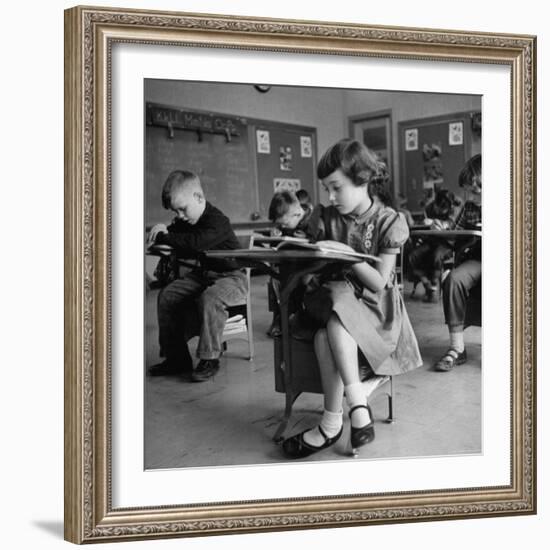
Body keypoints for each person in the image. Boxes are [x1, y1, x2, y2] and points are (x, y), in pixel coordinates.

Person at [281, 139, 422, 459]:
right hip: (334, 300)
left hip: (375, 310)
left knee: (325, 333)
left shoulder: (389, 221)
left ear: (363, 180)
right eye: (326, 189)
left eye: (336, 188)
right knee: (331, 316)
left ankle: (334, 422)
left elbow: (378, 282)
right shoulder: (327, 217)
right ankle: (356, 406)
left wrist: (349, 256)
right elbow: (315, 261)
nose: (330, 197)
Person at [147, 170, 248, 382]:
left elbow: (194, 243)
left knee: (210, 298)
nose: (180, 216)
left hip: (232, 278)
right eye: (176, 212)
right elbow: (174, 232)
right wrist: (162, 228)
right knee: (167, 295)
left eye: (183, 209)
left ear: (199, 198)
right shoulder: (187, 220)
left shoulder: (217, 220)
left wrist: (167, 235)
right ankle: (177, 359)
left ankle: (210, 358)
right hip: (204, 276)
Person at [434, 154, 482, 372]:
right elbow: (455, 232)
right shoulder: (470, 207)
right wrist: (442, 229)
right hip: (477, 259)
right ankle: (457, 348)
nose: (471, 196)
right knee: (453, 279)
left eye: (475, 190)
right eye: (468, 191)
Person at [266, 191, 315, 337]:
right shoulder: (289, 222)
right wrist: (276, 238)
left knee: (297, 282)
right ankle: (284, 317)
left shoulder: (314, 219)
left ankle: (291, 319)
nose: (284, 227)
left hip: (312, 270)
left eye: (285, 224)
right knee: (278, 280)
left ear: (296, 214)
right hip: (291, 268)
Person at [408, 188, 457, 302]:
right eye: (438, 208)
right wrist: (423, 223)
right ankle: (428, 285)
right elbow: (419, 225)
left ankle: (434, 286)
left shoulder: (454, 209)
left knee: (436, 256)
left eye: (443, 210)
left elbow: (452, 224)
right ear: (435, 203)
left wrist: (436, 222)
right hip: (430, 241)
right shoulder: (429, 208)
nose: (440, 211)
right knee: (412, 256)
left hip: (446, 243)